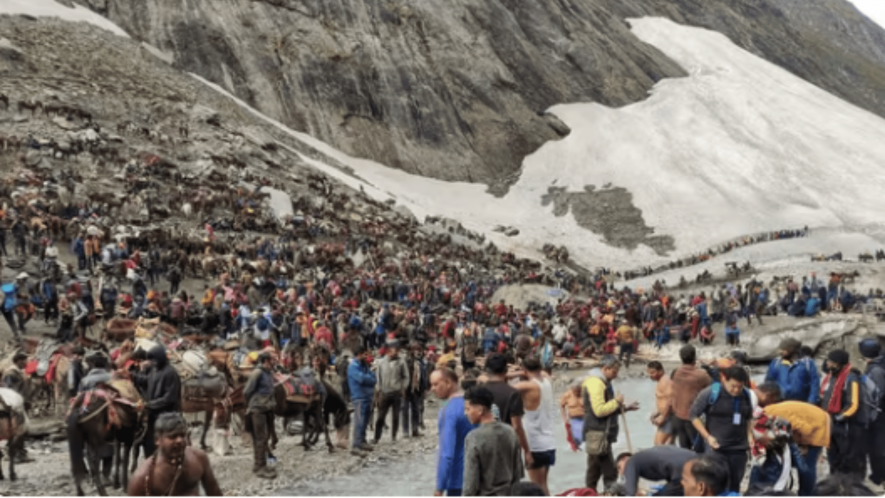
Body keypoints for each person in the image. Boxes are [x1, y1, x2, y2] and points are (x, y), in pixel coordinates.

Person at [755, 382, 830, 496]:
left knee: (806, 467)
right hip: (816, 421)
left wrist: (803, 445)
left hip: (816, 428)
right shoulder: (769, 411)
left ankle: (807, 494)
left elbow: (805, 428)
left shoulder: (770, 413)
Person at [689, 366, 755, 494]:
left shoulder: (746, 395)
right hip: (717, 449)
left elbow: (749, 419)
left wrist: (750, 438)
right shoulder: (711, 393)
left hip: (739, 451)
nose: (736, 390)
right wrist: (707, 437)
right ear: (724, 379)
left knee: (735, 487)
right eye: (733, 386)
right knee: (716, 486)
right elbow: (693, 415)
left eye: (740, 387)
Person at [127, 412, 222, 496]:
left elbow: (214, 492)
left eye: (182, 435)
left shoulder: (199, 458)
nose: (179, 440)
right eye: (173, 436)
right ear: (158, 440)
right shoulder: (143, 478)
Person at [583, 355, 639, 493]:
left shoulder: (603, 382)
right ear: (605, 368)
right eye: (614, 372)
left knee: (594, 468)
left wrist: (624, 408)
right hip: (598, 432)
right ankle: (609, 492)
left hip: (602, 432)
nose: (616, 375)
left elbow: (606, 410)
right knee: (608, 471)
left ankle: (590, 492)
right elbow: (599, 411)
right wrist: (617, 402)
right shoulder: (596, 383)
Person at [462, 386, 524, 496]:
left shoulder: (474, 437)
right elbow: (518, 472)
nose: (465, 413)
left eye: (468, 409)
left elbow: (471, 483)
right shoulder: (510, 431)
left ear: (480, 410)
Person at [512, 356, 557, 496]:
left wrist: (516, 373)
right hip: (549, 442)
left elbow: (504, 387)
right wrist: (522, 372)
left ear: (525, 370)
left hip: (535, 444)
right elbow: (542, 373)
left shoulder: (529, 385)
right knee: (543, 485)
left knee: (537, 488)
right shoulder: (546, 380)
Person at [819, 348, 865, 479]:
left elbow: (854, 404)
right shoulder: (832, 375)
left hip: (844, 426)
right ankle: (835, 481)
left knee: (845, 457)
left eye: (830, 361)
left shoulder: (851, 378)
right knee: (832, 456)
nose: (827, 363)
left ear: (838, 364)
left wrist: (839, 418)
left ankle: (847, 485)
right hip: (831, 422)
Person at [482, 353, 532, 469]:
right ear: (505, 370)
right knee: (511, 484)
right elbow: (516, 426)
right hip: (506, 446)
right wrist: (527, 450)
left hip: (484, 444)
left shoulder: (479, 391)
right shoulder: (512, 393)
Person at [431, 368, 475, 496]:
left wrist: (440, 486)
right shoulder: (474, 406)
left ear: (449, 383)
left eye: (435, 384)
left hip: (457, 479)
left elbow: (447, 453)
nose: (432, 389)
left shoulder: (449, 411)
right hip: (478, 476)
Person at [133, 345, 182, 458]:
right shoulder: (154, 370)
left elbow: (169, 398)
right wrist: (132, 377)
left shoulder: (170, 373)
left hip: (168, 416)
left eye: (154, 359)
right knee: (150, 445)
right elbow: (147, 381)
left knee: (167, 446)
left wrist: (149, 405)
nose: (153, 362)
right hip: (153, 415)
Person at [671, 345, 712, 450]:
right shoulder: (701, 375)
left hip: (678, 416)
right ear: (694, 356)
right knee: (698, 449)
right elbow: (713, 389)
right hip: (693, 419)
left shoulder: (676, 372)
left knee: (684, 448)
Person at [243, 352, 276, 479]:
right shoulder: (257, 373)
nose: (274, 361)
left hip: (266, 408)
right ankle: (260, 467)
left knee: (263, 438)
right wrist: (253, 404)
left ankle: (258, 465)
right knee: (260, 438)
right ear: (266, 360)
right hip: (258, 409)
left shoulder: (268, 373)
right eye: (272, 359)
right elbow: (247, 391)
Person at [617, 446, 696, 496]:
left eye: (619, 467)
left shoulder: (631, 462)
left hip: (682, 468)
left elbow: (630, 493)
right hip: (693, 458)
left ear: (624, 458)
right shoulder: (644, 456)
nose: (621, 472)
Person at [858, 338, 885, 486]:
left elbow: (878, 395)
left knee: (877, 448)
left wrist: (870, 416)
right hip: (879, 414)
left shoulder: (876, 370)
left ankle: (878, 477)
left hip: (878, 416)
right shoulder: (880, 364)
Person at [764, 338, 820, 404]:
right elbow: (769, 382)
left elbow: (814, 383)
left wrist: (812, 401)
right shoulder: (776, 363)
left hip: (802, 402)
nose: (780, 352)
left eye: (784, 349)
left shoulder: (807, 363)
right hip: (780, 401)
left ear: (792, 350)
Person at [374, 341, 409, 444]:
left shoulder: (401, 362)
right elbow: (378, 377)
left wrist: (403, 388)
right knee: (380, 416)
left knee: (395, 416)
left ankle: (393, 436)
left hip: (396, 393)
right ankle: (377, 437)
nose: (396, 352)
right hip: (384, 392)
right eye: (394, 350)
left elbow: (406, 377)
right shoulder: (381, 362)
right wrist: (378, 389)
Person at [347, 345, 377, 455]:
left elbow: (373, 378)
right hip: (359, 397)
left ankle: (362, 441)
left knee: (365, 421)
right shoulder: (353, 366)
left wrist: (369, 378)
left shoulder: (365, 366)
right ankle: (356, 445)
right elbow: (362, 379)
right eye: (365, 354)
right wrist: (369, 378)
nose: (367, 356)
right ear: (359, 354)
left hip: (367, 396)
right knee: (359, 421)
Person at [402, 342, 428, 438]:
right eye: (415, 349)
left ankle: (415, 429)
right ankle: (405, 431)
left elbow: (423, 376)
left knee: (416, 410)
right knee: (405, 410)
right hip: (406, 389)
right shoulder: (406, 361)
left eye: (418, 349)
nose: (417, 351)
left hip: (416, 389)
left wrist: (424, 387)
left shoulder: (421, 362)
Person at [647, 361, 674, 446]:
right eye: (649, 373)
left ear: (660, 371)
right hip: (667, 416)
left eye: (653, 373)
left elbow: (670, 401)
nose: (650, 375)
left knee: (658, 444)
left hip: (669, 417)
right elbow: (663, 400)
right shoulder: (662, 381)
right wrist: (657, 413)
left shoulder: (665, 381)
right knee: (667, 444)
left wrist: (663, 418)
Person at [560, 379, 585, 448]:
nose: (577, 393)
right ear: (572, 389)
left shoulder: (584, 393)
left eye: (578, 391)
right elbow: (562, 407)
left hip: (585, 417)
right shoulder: (567, 395)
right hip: (574, 418)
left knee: (585, 437)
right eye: (575, 391)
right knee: (577, 438)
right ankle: (576, 447)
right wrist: (565, 418)